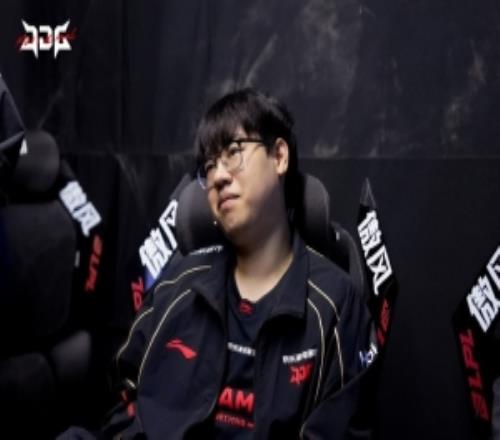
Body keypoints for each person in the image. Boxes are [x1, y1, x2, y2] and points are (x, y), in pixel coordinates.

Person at [61, 88, 372, 439]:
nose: (218, 176)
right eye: (208, 166)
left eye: (234, 152)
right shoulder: (176, 284)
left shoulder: (335, 306)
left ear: (279, 156)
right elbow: (126, 400)